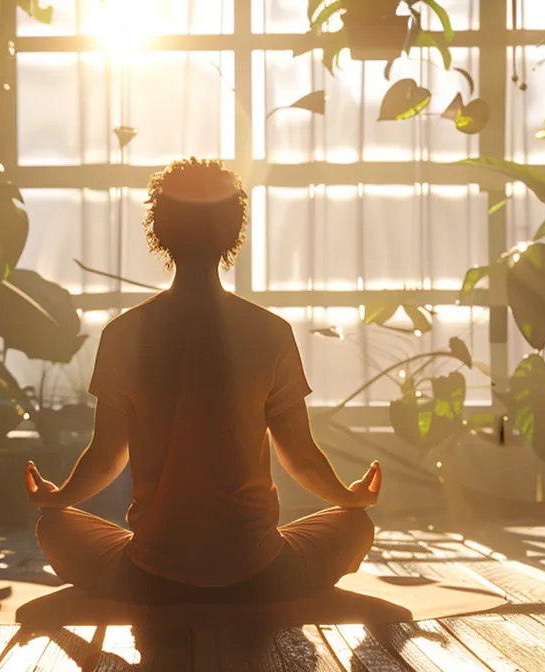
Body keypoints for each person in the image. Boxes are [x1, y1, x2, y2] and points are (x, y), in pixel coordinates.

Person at [25, 157, 381, 605]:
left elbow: (104, 457)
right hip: (259, 573)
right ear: (233, 232)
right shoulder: (270, 332)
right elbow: (302, 457)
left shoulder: (124, 335)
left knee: (53, 528)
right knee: (355, 527)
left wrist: (59, 499)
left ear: (161, 231)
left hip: (151, 575)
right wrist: (349, 499)